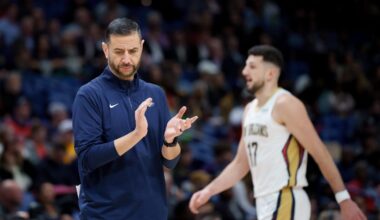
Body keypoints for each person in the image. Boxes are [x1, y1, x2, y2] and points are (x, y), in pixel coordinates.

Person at [189, 45, 366, 220]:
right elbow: (240, 164)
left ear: (270, 73)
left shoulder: (285, 104)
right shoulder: (249, 110)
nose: (244, 71)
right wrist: (209, 190)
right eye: (245, 65)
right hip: (263, 201)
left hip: (285, 197)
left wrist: (344, 200)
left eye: (252, 66)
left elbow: (320, 152)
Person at [72, 18, 198, 219]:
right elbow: (88, 159)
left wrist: (170, 140)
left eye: (132, 51)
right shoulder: (89, 95)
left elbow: (170, 162)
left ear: (141, 47)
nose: (126, 59)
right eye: (119, 51)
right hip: (106, 215)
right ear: (105, 50)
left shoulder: (155, 93)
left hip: (153, 213)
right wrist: (136, 135)